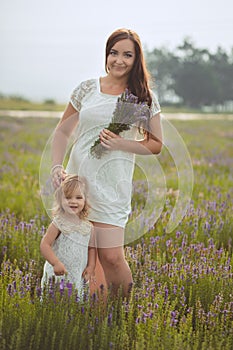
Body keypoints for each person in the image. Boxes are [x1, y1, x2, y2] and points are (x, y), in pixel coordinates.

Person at [50, 28, 162, 298]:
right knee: (84, 252)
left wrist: (121, 143)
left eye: (127, 55)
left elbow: (156, 144)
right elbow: (63, 131)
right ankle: (99, 317)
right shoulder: (87, 89)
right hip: (79, 188)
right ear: (106, 55)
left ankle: (124, 309)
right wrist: (56, 166)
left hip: (113, 188)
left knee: (111, 256)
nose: (119, 60)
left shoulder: (141, 97)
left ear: (137, 60)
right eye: (114, 53)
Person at [40, 174, 96, 297]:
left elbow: (91, 248)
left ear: (85, 200)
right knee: (54, 302)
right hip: (57, 274)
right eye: (68, 197)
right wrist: (55, 263)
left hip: (77, 275)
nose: (73, 201)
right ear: (60, 200)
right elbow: (45, 244)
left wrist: (91, 267)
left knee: (74, 304)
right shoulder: (59, 223)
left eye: (78, 197)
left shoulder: (88, 227)